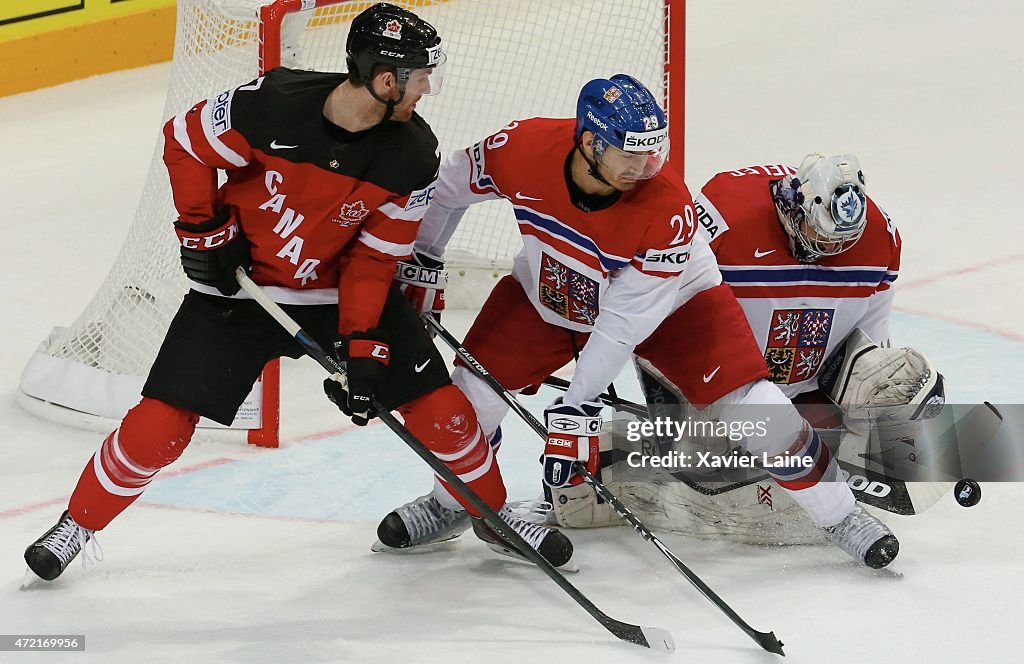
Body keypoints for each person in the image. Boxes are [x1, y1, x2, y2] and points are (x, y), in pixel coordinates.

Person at [23, 2, 572, 584]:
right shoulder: (270, 104)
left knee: (441, 412)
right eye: (421, 75)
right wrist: (202, 227)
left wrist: (362, 343)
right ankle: (76, 525)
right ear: (386, 79)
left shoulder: (412, 152)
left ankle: (490, 512)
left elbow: (372, 259)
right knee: (160, 423)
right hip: (243, 293)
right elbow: (183, 142)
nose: (429, 88)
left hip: (341, 295)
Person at [377, 74, 787, 559]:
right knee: (471, 396)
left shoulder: (665, 206)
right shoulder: (522, 146)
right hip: (546, 299)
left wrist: (575, 409)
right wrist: (422, 258)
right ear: (591, 142)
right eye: (632, 152)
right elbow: (448, 186)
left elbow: (624, 323)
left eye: (652, 151)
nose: (647, 167)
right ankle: (457, 504)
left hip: (644, 310)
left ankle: (829, 500)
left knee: (741, 399)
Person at [557, 155, 945, 567]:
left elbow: (873, 331)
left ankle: (805, 464)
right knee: (755, 507)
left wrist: (873, 405)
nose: (832, 249)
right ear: (797, 204)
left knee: (900, 380)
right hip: (716, 379)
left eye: (842, 243)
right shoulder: (724, 213)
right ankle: (614, 467)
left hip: (803, 385)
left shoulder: (880, 238)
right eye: (823, 236)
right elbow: (653, 296)